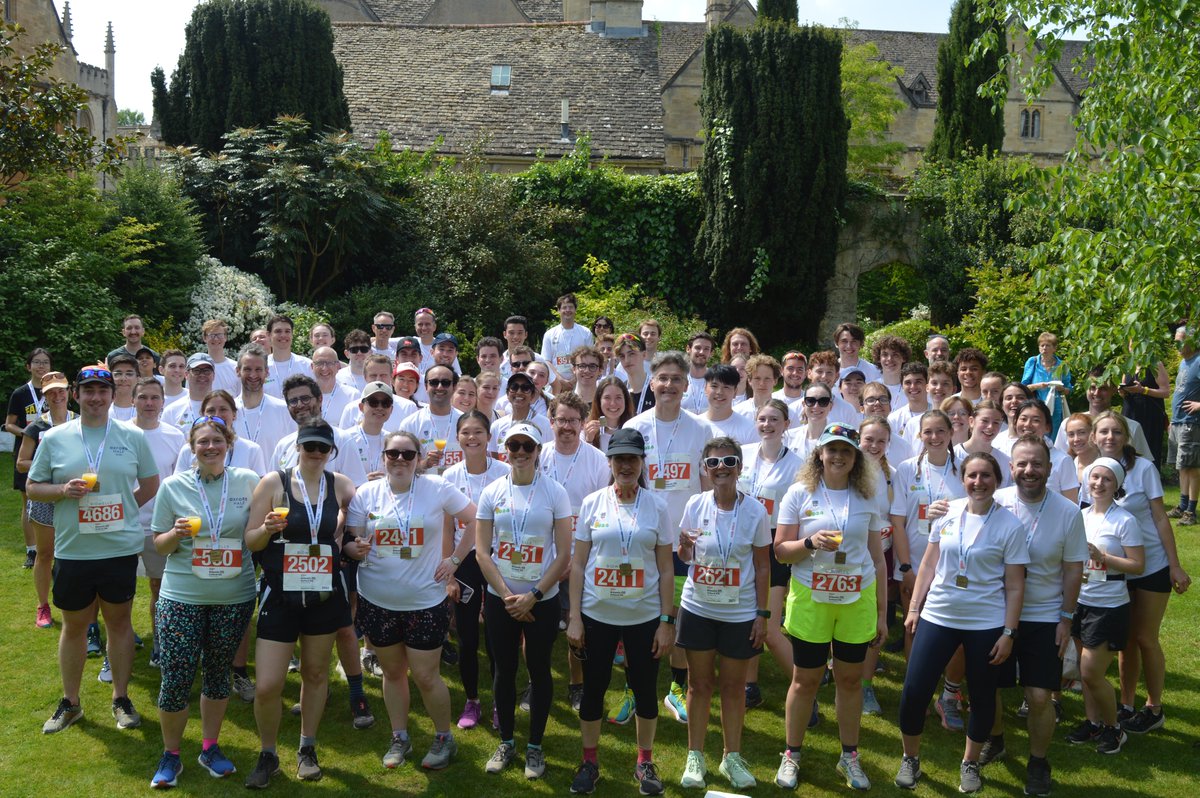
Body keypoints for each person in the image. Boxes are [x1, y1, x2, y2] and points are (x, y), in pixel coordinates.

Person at [28, 365, 160, 734]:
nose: (96, 397)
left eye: (103, 390)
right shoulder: (54, 437)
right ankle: (70, 703)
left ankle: (120, 697)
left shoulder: (131, 435)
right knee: (73, 627)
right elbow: (35, 485)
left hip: (118, 548)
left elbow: (151, 483)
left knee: (119, 623)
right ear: (76, 395)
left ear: (111, 394)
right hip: (74, 550)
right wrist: (61, 492)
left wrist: (126, 508)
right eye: (88, 391)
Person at [895, 452, 1028, 794]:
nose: (978, 482)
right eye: (972, 475)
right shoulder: (947, 511)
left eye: (986, 476)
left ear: (997, 481)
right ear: (963, 479)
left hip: (986, 622)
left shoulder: (1010, 525)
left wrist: (1009, 633)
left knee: (983, 696)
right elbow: (927, 565)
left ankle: (969, 762)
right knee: (914, 691)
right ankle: (910, 758)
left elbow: (1015, 584)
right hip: (939, 614)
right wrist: (913, 608)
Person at [345, 430, 478, 770]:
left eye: (408, 454)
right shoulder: (367, 494)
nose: (400, 460)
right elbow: (352, 541)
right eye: (393, 453)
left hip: (424, 602)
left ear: (419, 459)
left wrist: (455, 561)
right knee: (392, 672)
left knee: (426, 675)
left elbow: (476, 521)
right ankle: (400, 736)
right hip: (378, 600)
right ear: (384, 457)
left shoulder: (436, 489)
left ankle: (443, 738)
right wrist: (355, 549)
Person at [243, 419, 357, 787]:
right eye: (310, 446)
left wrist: (355, 547)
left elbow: (350, 536)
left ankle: (307, 747)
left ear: (331, 451)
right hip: (281, 593)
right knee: (268, 684)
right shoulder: (273, 483)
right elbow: (251, 541)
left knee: (315, 673)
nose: (316, 454)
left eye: (323, 448)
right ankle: (268, 752)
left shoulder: (339, 485)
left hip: (324, 595)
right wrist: (267, 529)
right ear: (298, 446)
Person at [146, 417, 260, 787]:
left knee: (217, 674)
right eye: (202, 442)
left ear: (228, 442)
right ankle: (172, 753)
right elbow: (159, 545)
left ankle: (209, 746)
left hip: (234, 596)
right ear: (191, 447)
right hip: (182, 596)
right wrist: (174, 534)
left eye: (217, 440)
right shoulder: (173, 486)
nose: (210, 447)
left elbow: (256, 537)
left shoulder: (247, 482)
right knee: (176, 677)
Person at [774, 423, 887, 791]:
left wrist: (884, 613)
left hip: (857, 598)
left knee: (850, 679)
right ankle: (791, 754)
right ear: (819, 454)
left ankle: (849, 756)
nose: (838, 456)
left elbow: (877, 558)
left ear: (855, 458)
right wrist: (808, 542)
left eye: (846, 451)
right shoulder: (797, 493)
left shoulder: (868, 495)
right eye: (831, 450)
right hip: (811, 597)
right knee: (805, 679)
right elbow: (780, 551)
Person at [567, 428, 676, 796]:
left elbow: (665, 570)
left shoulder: (657, 507)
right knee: (594, 689)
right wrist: (576, 618)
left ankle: (644, 762)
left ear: (642, 462)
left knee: (645, 691)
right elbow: (579, 564)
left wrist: (666, 621)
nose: (626, 465)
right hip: (598, 614)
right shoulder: (593, 503)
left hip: (643, 617)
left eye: (632, 458)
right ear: (610, 462)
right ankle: (590, 762)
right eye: (619, 459)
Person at [624, 351, 718, 724]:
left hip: (685, 539)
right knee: (635, 613)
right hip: (642, 536)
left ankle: (676, 687)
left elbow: (710, 482)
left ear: (686, 384)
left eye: (676, 379)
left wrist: (707, 531)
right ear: (651, 381)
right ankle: (633, 689)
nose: (668, 385)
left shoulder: (701, 429)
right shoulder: (635, 426)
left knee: (677, 614)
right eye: (662, 378)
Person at [475, 422, 572, 779]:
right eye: (513, 445)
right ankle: (506, 741)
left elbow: (564, 554)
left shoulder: (555, 492)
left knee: (539, 667)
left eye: (526, 446)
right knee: (503, 670)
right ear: (504, 449)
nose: (519, 452)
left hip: (541, 599)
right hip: (501, 597)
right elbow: (482, 552)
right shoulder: (492, 492)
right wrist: (506, 596)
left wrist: (532, 596)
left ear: (537, 451)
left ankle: (534, 746)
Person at [990, 436, 1087, 794]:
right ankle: (997, 739)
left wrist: (1066, 618)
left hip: (1045, 615)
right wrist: (941, 509)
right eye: (1022, 464)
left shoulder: (1067, 511)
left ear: (1049, 468)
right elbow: (959, 511)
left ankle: (1038, 761)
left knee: (1041, 695)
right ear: (1011, 467)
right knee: (991, 687)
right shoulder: (995, 501)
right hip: (996, 612)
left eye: (1037, 464)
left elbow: (1073, 569)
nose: (1029, 471)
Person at [674, 436, 769, 790]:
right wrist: (684, 547)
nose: (721, 470)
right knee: (698, 685)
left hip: (739, 611)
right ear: (705, 469)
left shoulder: (756, 511)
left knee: (732, 686)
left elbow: (762, 567)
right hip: (698, 606)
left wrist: (762, 614)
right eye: (713, 463)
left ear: (739, 468)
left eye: (728, 462)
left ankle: (731, 756)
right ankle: (695, 755)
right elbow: (685, 559)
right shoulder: (695, 504)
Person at [1092, 411, 1192, 733]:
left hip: (1151, 566)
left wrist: (1174, 565)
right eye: (1104, 432)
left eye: (1116, 433)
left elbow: (1161, 518)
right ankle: (1126, 704)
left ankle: (1154, 707)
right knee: (1126, 641)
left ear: (1126, 437)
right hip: (1114, 568)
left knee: (1145, 638)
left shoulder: (1143, 469)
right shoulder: (1093, 472)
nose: (1110, 438)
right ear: (1095, 437)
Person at [889, 409, 967, 722]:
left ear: (950, 434)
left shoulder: (963, 469)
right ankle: (917, 690)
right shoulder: (908, 469)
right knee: (914, 627)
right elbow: (897, 520)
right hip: (913, 562)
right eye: (927, 432)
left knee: (958, 632)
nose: (933, 437)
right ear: (919, 435)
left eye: (939, 431)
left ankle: (949, 694)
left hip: (952, 566)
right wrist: (906, 566)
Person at [1066, 457, 1144, 755]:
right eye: (1094, 477)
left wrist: (1104, 557)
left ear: (1117, 485)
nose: (1099, 483)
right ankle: (1093, 721)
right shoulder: (1080, 515)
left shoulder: (1125, 520)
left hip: (1109, 605)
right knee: (1085, 673)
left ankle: (1114, 728)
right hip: (1080, 600)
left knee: (1089, 672)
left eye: (1106, 479)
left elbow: (1138, 565)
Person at [442, 411, 510, 729]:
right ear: (458, 437)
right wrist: (449, 572)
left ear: (488, 436)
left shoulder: (505, 472)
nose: (472, 437)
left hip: (497, 559)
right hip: (463, 559)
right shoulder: (449, 476)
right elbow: (445, 528)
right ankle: (472, 701)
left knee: (498, 638)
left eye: (479, 432)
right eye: (466, 432)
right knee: (468, 638)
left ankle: (499, 702)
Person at [738, 400, 805, 709]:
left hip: (776, 542)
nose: (767, 424)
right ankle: (750, 684)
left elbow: (801, 511)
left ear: (786, 424)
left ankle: (806, 686)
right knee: (748, 617)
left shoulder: (798, 464)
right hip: (742, 542)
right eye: (762, 419)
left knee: (770, 627)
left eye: (774, 419)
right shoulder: (744, 454)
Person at [132, 377, 188, 669]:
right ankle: (118, 645)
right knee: (119, 590)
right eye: (143, 397)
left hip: (159, 526)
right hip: (124, 524)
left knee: (159, 588)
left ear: (163, 403)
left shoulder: (175, 435)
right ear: (133, 400)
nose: (149, 404)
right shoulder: (119, 433)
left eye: (155, 398)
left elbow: (179, 481)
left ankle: (159, 643)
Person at [16, 370, 73, 628]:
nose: (58, 396)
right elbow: (21, 464)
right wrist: (48, 467)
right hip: (43, 497)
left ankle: (78, 605)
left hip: (74, 495)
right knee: (46, 553)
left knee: (75, 554)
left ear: (69, 392)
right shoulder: (36, 426)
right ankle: (43, 606)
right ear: (45, 396)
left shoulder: (81, 421)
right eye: (52, 392)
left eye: (61, 390)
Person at [7, 347, 52, 569]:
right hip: (27, 452)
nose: (41, 366)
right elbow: (9, 424)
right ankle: (31, 550)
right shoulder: (20, 393)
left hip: (52, 451)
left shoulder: (56, 390)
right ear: (29, 366)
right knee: (28, 502)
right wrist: (28, 433)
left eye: (45, 362)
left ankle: (54, 548)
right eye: (37, 362)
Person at [1053, 367, 1153, 461]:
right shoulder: (1069, 425)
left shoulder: (1132, 427)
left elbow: (1144, 466)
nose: (1096, 393)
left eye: (1103, 388)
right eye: (1092, 387)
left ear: (1114, 389)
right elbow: (1058, 461)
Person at [233, 344, 294, 462]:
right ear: (238, 371)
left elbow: (293, 451)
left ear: (266, 372)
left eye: (258, 369)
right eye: (247, 369)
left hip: (274, 479)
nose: (253, 375)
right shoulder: (227, 410)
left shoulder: (283, 409)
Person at [1012, 400, 1080, 502]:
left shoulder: (1062, 460)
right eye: (1023, 419)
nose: (1028, 424)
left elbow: (1072, 504)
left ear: (1047, 427)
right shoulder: (1008, 453)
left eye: (1036, 420)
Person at [1167, 323, 1200, 523]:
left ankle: (1191, 512)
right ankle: (1181, 506)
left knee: (1192, 467)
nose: (1177, 347)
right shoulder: (1183, 363)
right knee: (1182, 466)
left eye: (1180, 343)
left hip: (1191, 422)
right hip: (1178, 422)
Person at [1120, 346, 1169, 471]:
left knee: (1149, 451)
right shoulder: (1128, 364)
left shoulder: (1154, 363)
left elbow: (1165, 392)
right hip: (1130, 412)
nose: (1133, 347)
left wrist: (1143, 390)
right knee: (1127, 449)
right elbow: (1123, 388)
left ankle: (1151, 482)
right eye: (1131, 343)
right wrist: (1123, 390)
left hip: (1149, 415)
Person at [489, 371, 553, 460]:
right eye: (514, 387)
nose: (519, 392)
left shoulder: (545, 424)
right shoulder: (496, 426)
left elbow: (549, 456)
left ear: (532, 395)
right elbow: (496, 463)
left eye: (525, 388)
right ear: (507, 394)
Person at [1022, 332, 1073, 433]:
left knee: (1053, 437)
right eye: (1042, 345)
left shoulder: (1062, 365)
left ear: (1054, 348)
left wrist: (1061, 389)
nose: (1044, 348)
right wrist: (1038, 386)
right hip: (1036, 406)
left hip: (1056, 409)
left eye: (1048, 345)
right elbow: (1023, 387)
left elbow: (1069, 390)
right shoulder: (1032, 362)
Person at [542, 293, 594, 385]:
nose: (567, 310)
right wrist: (560, 379)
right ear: (558, 310)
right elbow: (546, 360)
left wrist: (576, 378)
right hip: (555, 384)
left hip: (580, 382)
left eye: (570, 307)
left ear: (575, 310)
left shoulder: (586, 333)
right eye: (564, 307)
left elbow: (590, 358)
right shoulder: (549, 334)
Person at [262, 315, 315, 399]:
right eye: (278, 331)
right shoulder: (261, 366)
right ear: (269, 335)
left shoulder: (306, 365)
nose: (283, 335)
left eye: (287, 331)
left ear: (292, 334)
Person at [704, 365, 758, 445]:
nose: (719, 392)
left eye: (726, 387)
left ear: (735, 392)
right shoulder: (694, 425)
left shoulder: (749, 428)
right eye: (714, 386)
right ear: (705, 388)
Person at [161, 353, 216, 430]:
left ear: (213, 375)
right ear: (186, 375)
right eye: (196, 371)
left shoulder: (225, 408)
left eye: (207, 371)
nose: (202, 375)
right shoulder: (171, 411)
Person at [784, 382, 835, 460]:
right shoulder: (788, 437)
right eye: (810, 401)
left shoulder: (838, 438)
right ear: (804, 405)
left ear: (831, 406)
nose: (816, 406)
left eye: (823, 401)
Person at [310, 346, 358, 428]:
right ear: (312, 366)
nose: (324, 368)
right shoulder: (303, 395)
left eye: (329, 363)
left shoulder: (353, 395)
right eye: (319, 363)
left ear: (338, 366)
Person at [584, 376, 633, 453]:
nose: (613, 403)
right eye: (607, 398)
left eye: (618, 397)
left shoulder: (635, 428)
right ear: (599, 401)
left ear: (626, 400)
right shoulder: (586, 430)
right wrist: (588, 441)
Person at [734, 354, 781, 423]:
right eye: (757, 378)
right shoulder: (737, 412)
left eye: (767, 379)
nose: (762, 383)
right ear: (749, 380)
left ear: (775, 381)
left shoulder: (783, 412)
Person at [616, 334, 655, 415]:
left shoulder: (657, 389)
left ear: (644, 355)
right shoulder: (619, 390)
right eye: (622, 356)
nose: (627, 360)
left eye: (632, 354)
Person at [201, 319, 241, 396]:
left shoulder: (236, 367)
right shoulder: (197, 368)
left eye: (220, 335)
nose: (216, 339)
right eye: (211, 335)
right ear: (204, 338)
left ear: (225, 337)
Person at [682, 332, 716, 415]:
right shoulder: (677, 378)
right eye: (698, 347)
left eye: (706, 349)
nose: (701, 352)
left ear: (711, 353)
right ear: (688, 349)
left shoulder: (717, 380)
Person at [872, 335, 911, 406]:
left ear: (903, 358)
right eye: (885, 354)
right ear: (879, 359)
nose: (889, 359)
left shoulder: (912, 388)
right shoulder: (872, 388)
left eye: (895, 355)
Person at [337, 329, 373, 394]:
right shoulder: (337, 377)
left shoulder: (379, 376)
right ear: (347, 354)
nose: (359, 353)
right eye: (354, 349)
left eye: (363, 349)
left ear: (370, 352)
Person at [106, 353, 139, 422]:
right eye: (118, 374)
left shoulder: (146, 410)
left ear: (138, 378)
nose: (123, 379)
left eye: (129, 374)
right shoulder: (102, 410)